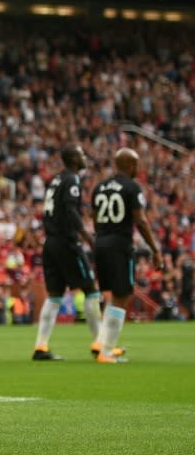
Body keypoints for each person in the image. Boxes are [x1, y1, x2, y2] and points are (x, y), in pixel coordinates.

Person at [92, 148, 163, 363]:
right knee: (122, 297)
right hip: (119, 244)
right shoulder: (132, 187)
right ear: (131, 165)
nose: (138, 168)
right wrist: (155, 249)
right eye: (137, 164)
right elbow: (140, 220)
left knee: (110, 296)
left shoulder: (99, 187)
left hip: (101, 243)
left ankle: (101, 343)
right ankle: (106, 351)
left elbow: (95, 218)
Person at [33, 144, 103, 361]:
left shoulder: (55, 179)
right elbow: (71, 210)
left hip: (50, 242)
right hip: (66, 242)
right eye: (81, 155)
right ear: (73, 159)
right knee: (90, 289)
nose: (84, 158)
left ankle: (41, 346)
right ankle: (101, 343)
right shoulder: (72, 179)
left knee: (54, 296)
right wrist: (87, 236)